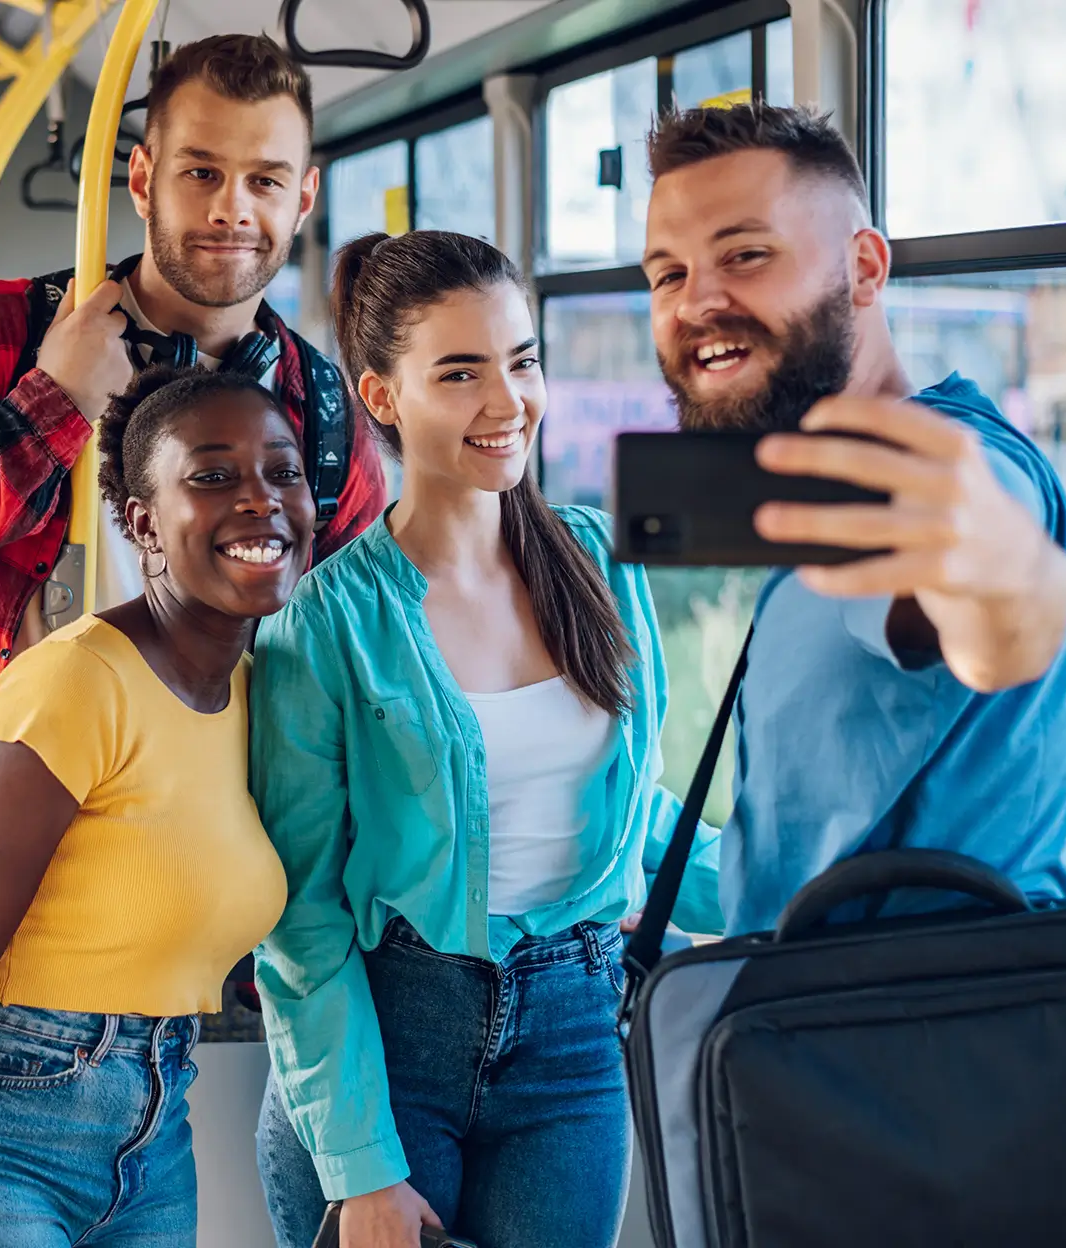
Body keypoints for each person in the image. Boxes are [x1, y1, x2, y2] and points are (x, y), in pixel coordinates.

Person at [0, 33, 386, 1248]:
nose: (232, 210)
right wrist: (47, 408)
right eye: (200, 172)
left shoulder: (318, 412)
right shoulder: (7, 335)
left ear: (304, 195)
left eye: (264, 180)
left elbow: (350, 669)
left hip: (152, 978)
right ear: (140, 177)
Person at [248, 230, 725, 1248]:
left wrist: (796, 888)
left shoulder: (602, 562)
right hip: (393, 1044)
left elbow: (629, 817)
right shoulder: (324, 623)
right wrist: (362, 1168)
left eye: (522, 361)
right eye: (460, 373)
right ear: (382, 396)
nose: (508, 403)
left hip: (575, 1037)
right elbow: (300, 917)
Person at [0, 363, 312, 1247]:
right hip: (3, 1127)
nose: (261, 499)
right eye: (213, 476)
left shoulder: (262, 693)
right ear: (142, 523)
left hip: (155, 1136)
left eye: (282, 471)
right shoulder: (76, 683)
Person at [635, 102, 1066, 935]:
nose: (695, 302)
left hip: (908, 1016)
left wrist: (1009, 585)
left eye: (745, 254)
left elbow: (1001, 616)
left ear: (865, 269)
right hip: (815, 1007)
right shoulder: (817, 490)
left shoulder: (946, 469)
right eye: (667, 274)